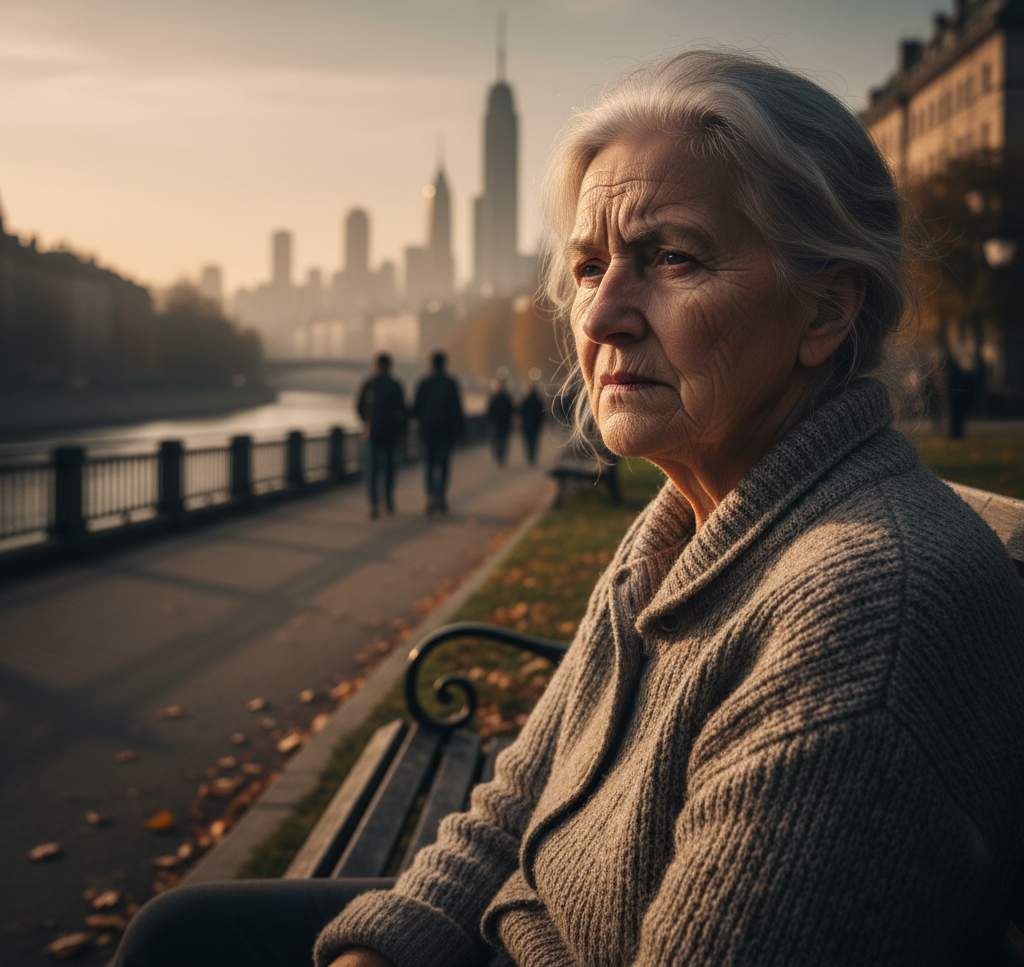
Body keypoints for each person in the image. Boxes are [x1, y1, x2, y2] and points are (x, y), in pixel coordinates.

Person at [114, 50, 1024, 967]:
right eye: (590, 268)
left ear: (825, 309)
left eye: (671, 258)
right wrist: (383, 953)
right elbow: (519, 801)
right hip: (525, 932)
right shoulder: (685, 525)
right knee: (182, 933)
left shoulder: (866, 612)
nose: (599, 319)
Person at [411, 351, 464, 514]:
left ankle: (429, 496)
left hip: (427, 432)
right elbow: (457, 409)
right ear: (444, 364)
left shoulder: (423, 383)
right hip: (445, 432)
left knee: (428, 466)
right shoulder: (451, 383)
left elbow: (415, 409)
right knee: (443, 466)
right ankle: (441, 496)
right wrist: (460, 432)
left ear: (431, 364)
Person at [356, 353, 406, 519]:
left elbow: (358, 406)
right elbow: (402, 411)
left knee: (372, 470)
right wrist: (400, 431)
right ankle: (386, 500)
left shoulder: (369, 384)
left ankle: (374, 504)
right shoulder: (395, 385)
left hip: (373, 433)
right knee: (388, 469)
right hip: (389, 433)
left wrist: (366, 423)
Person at [486, 378, 515, 466]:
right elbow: (512, 410)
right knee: (503, 442)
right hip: (504, 424)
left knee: (497, 441)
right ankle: (500, 457)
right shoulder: (507, 398)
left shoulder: (494, 398)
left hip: (497, 423)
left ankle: (499, 456)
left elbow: (489, 411)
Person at [518, 385, 545, 465]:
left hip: (527, 424)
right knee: (534, 441)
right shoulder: (538, 400)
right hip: (536, 424)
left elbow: (521, 411)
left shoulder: (525, 400)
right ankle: (532, 457)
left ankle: (529, 456)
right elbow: (542, 413)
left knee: (527, 441)